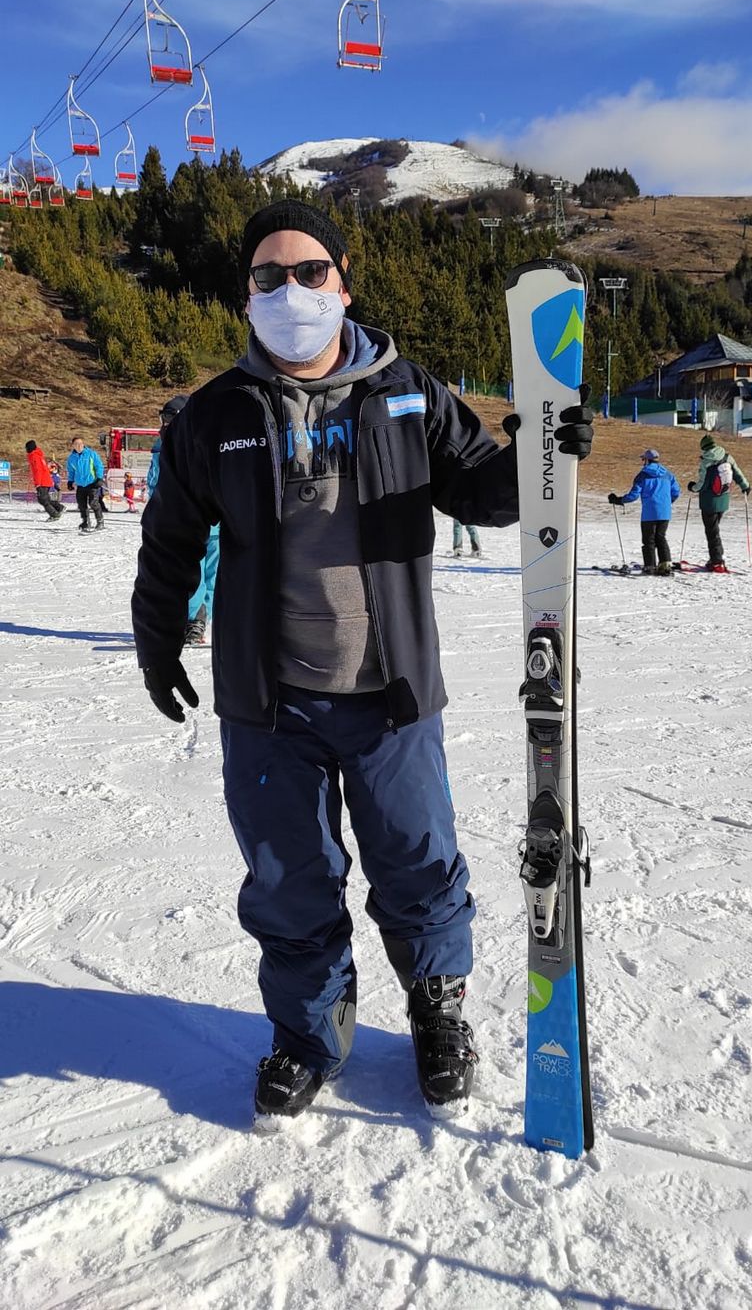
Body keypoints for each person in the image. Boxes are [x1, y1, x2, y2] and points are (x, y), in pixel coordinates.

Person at [132, 199, 594, 1122]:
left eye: (309, 273)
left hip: (392, 692)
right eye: (269, 277)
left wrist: (542, 452)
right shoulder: (216, 412)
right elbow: (170, 537)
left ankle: (437, 1009)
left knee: (419, 862)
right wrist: (155, 639)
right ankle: (308, 1033)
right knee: (288, 876)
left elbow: (477, 489)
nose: (290, 291)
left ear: (343, 282)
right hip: (270, 703)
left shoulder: (405, 390)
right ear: (246, 296)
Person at [145, 394, 220, 645]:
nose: (165, 424)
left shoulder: (207, 443)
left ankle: (202, 620)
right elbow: (155, 484)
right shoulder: (162, 448)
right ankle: (194, 619)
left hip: (213, 523)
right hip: (184, 524)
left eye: (170, 418)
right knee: (192, 573)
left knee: (211, 573)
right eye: (163, 418)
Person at [608, 447, 680, 575]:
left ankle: (650, 566)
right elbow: (676, 492)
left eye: (643, 459)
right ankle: (665, 564)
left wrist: (619, 500)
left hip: (649, 513)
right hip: (665, 512)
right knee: (661, 537)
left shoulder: (642, 475)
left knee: (649, 540)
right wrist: (667, 503)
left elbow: (634, 495)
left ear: (647, 460)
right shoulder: (668, 474)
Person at [688, 434, 750, 573]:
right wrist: (745, 486)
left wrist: (692, 487)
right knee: (715, 530)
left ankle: (716, 561)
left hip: (708, 502)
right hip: (723, 499)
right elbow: (737, 472)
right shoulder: (727, 457)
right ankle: (716, 558)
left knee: (712, 532)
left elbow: (702, 484)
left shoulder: (706, 461)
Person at [66, 436, 105, 532]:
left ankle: (100, 521)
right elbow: (71, 471)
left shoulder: (91, 454)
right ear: (73, 446)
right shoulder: (71, 458)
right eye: (76, 444)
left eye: (80, 444)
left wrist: (99, 478)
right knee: (81, 504)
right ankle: (85, 521)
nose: (79, 446)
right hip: (80, 484)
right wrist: (70, 481)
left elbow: (99, 466)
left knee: (93, 503)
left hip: (92, 483)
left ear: (83, 444)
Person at [25, 440, 64, 520]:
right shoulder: (38, 455)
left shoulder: (34, 456)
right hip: (46, 480)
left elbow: (38, 471)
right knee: (45, 499)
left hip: (42, 482)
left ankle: (54, 514)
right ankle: (59, 507)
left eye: (27, 448)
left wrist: (38, 483)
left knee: (43, 500)